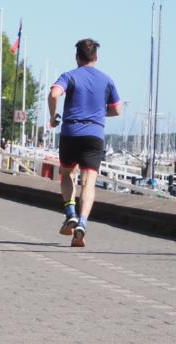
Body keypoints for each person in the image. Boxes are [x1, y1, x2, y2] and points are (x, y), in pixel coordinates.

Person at [47, 38, 122, 247]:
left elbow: (54, 94)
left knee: (66, 173)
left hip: (71, 132)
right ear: (96, 57)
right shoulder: (107, 80)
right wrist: (98, 113)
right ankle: (82, 222)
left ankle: (70, 212)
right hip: (94, 135)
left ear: (77, 57)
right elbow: (117, 109)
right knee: (89, 181)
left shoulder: (69, 76)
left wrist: (53, 117)